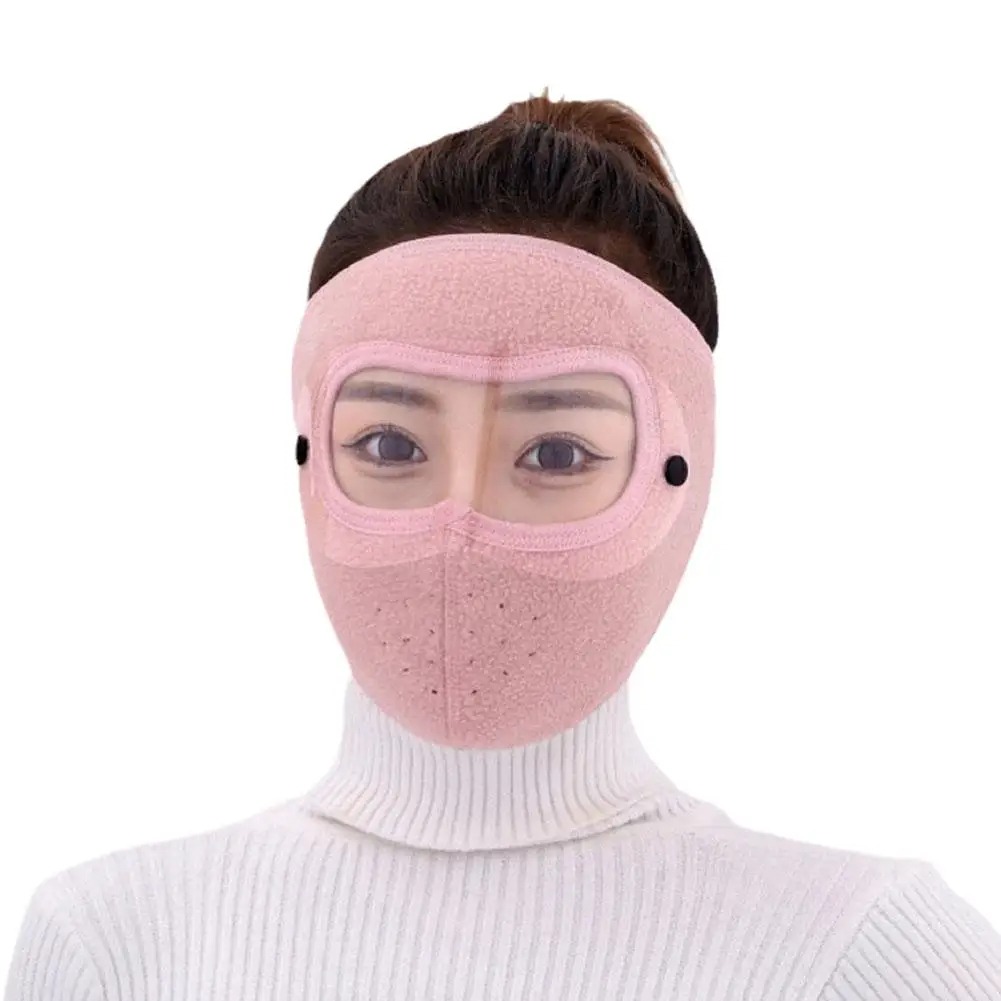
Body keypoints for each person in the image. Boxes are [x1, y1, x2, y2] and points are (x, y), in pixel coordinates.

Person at [5, 90, 1000, 1001]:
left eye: (556, 452)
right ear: (308, 460)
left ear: (678, 475)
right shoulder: (115, 944)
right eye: (388, 444)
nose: (460, 524)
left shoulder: (861, 954)